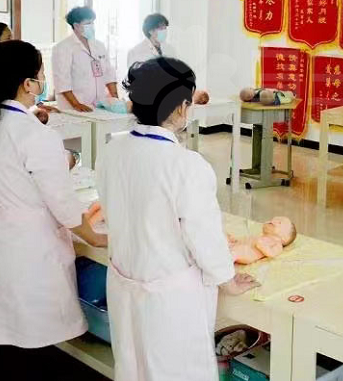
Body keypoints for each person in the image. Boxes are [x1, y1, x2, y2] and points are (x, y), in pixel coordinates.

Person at [95, 57, 259, 381]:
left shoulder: (112, 150)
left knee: (133, 367)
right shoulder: (186, 165)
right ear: (182, 107)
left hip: (125, 284)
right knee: (175, 371)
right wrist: (227, 279)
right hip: (170, 298)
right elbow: (204, 237)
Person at [0, 41, 107, 380]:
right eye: (41, 75)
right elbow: (64, 205)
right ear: (28, 83)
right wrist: (96, 239)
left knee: (3, 330)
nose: (43, 82)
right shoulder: (32, 134)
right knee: (33, 337)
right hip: (30, 249)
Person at [52, 6, 118, 112]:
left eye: (93, 23)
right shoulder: (63, 48)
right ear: (76, 26)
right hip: (74, 108)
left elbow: (109, 74)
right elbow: (62, 81)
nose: (92, 26)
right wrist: (76, 104)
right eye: (88, 23)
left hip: (100, 105)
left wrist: (116, 99)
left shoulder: (99, 45)